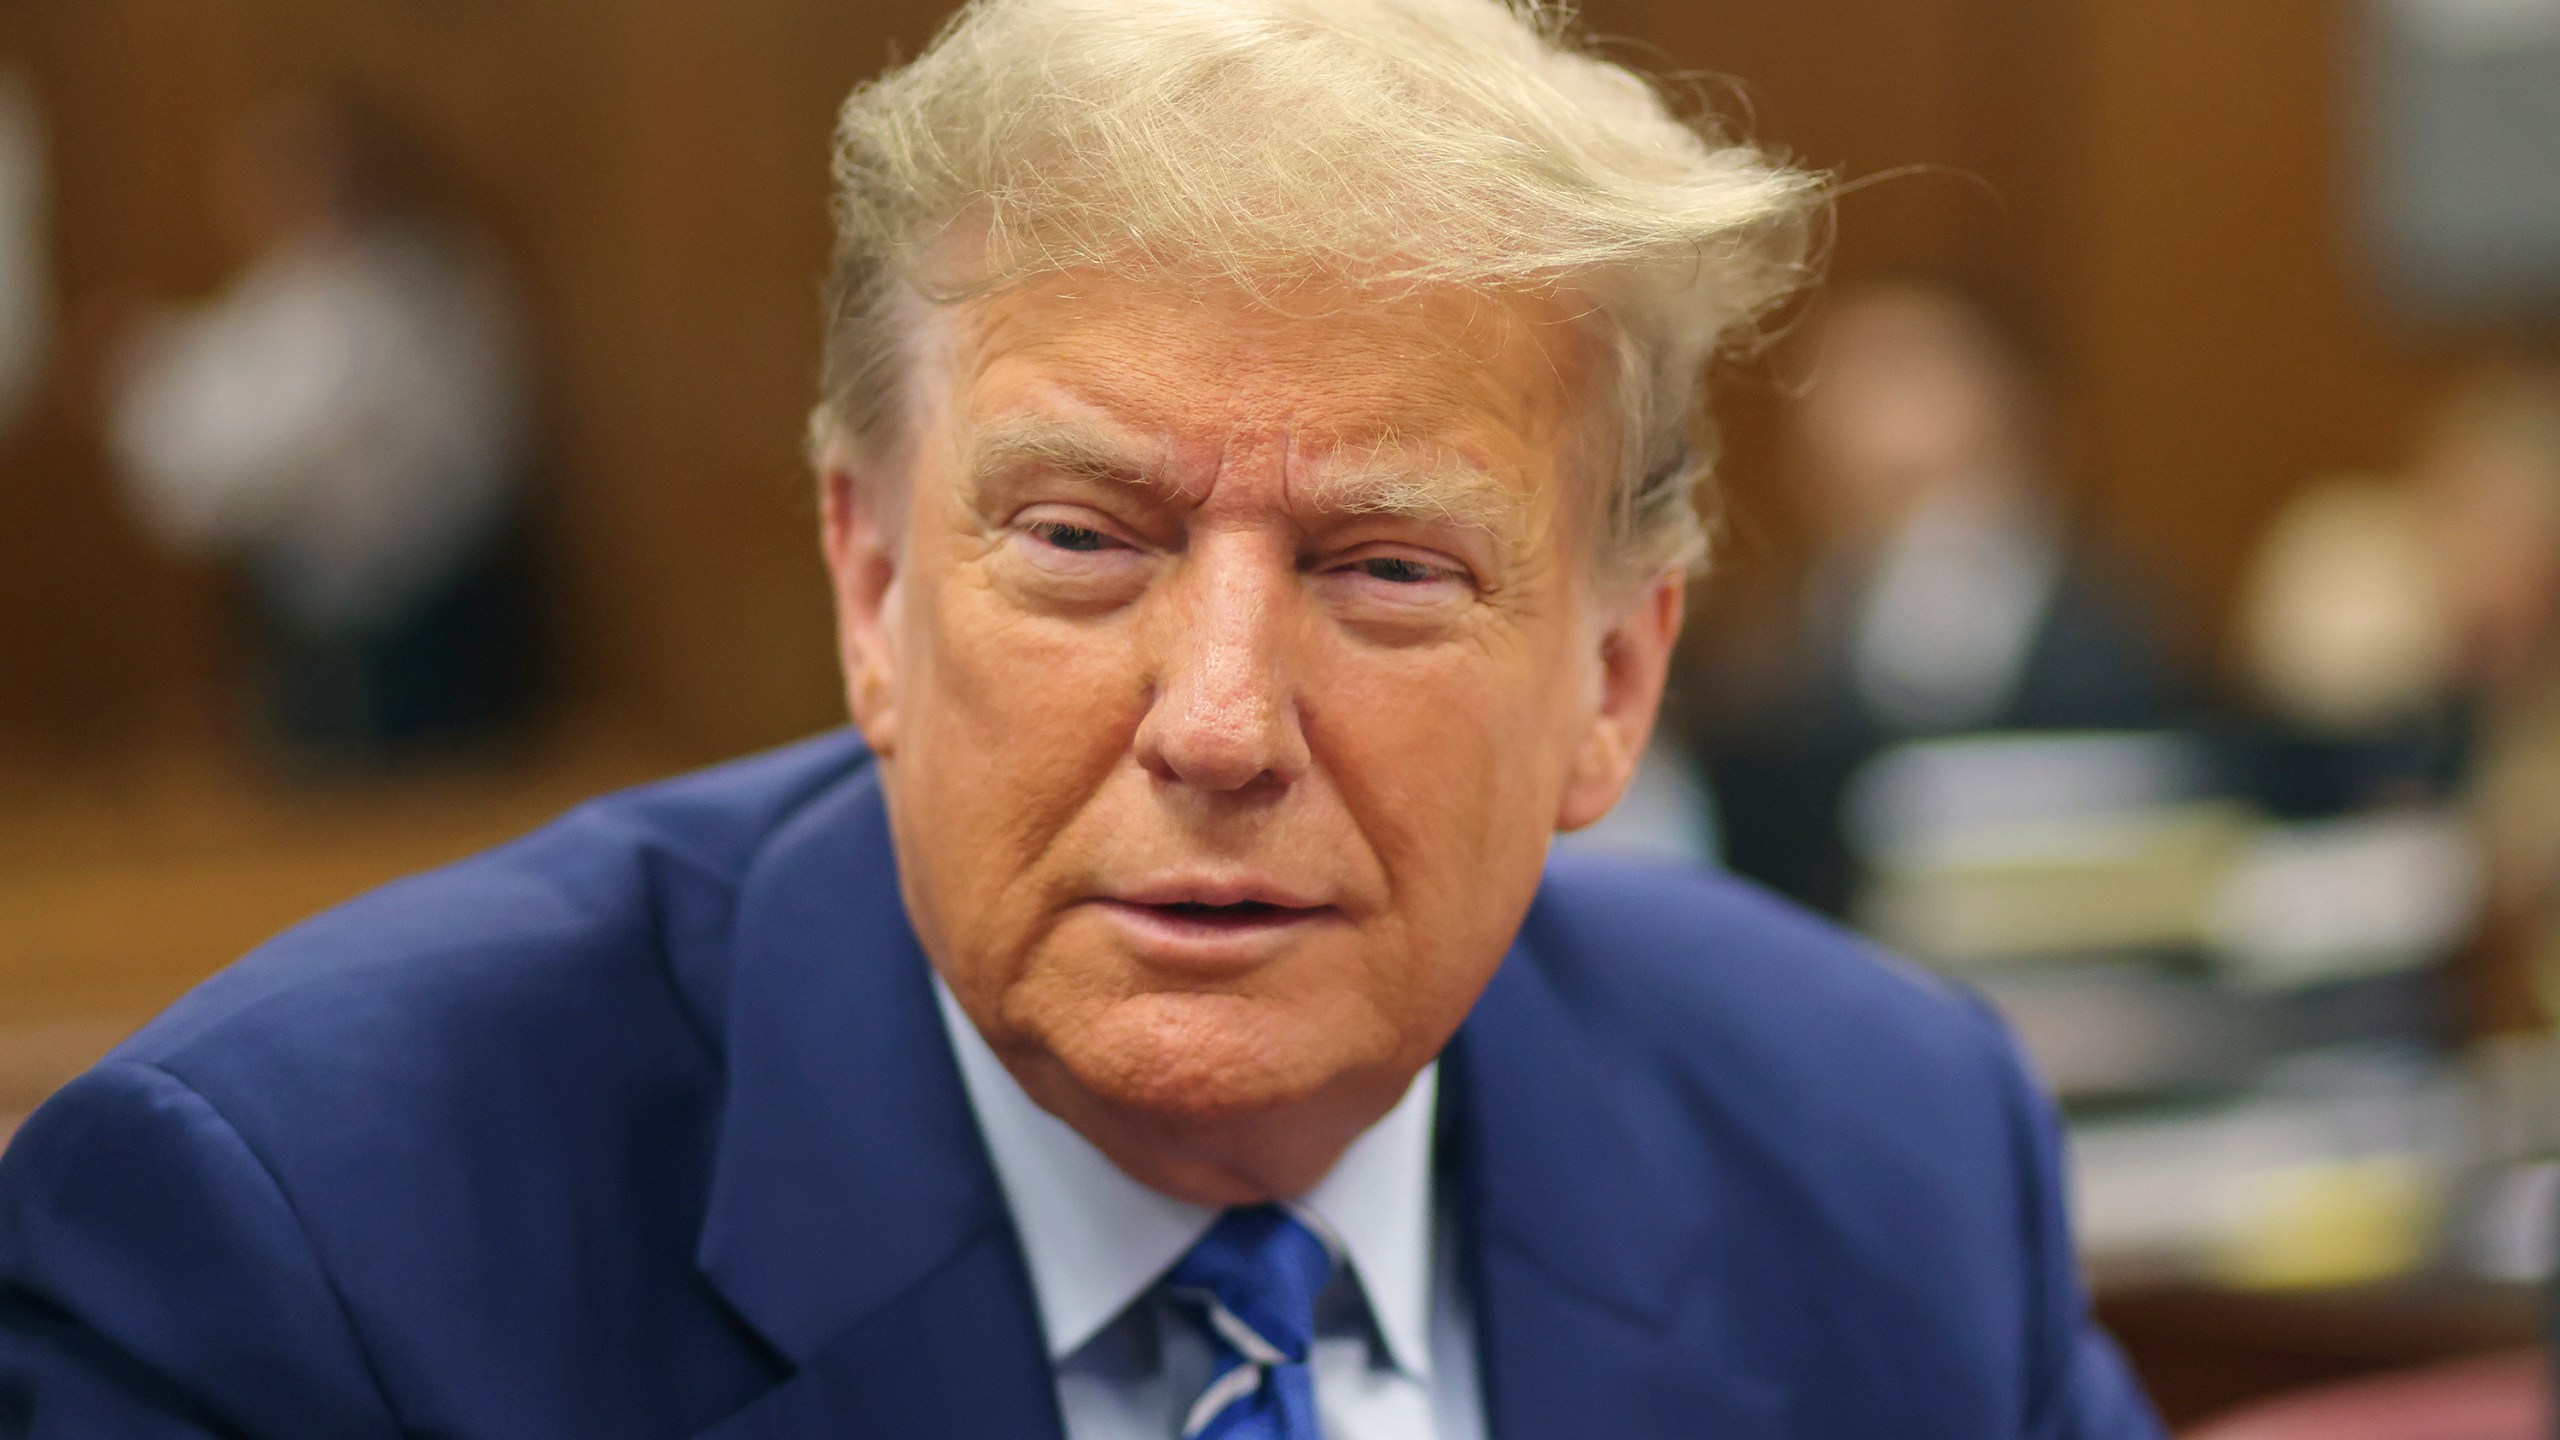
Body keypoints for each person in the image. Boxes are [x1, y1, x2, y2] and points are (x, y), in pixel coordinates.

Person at [0, 3, 2163, 1437]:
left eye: (1386, 569)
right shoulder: (300, 1256)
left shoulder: (1886, 1162)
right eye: (1077, 541)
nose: (1216, 722)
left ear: (1612, 678)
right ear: (867, 580)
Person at [1696, 281, 2183, 916]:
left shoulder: (2123, 639)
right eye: (1857, 379)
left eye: (1915, 372)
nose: (1890, 416)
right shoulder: (1761, 676)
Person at [103, 88, 536, 766]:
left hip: (400, 630)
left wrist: (147, 395)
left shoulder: (391, 301)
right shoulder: (306, 289)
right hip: (322, 623)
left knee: (397, 829)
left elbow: (240, 461)